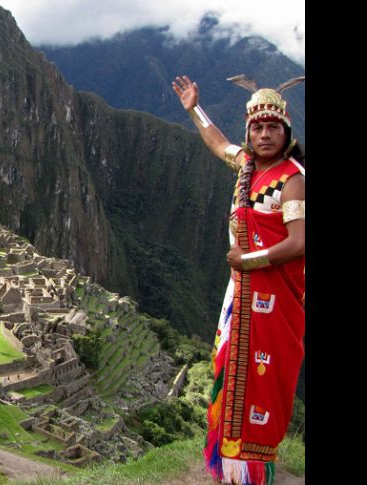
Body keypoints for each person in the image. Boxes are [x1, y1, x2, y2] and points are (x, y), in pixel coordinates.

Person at [172, 75, 305, 485]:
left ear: (287, 132)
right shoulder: (247, 166)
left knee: (264, 375)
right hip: (241, 290)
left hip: (271, 295)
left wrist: (248, 260)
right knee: (230, 365)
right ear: (250, 132)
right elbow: (215, 142)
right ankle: (228, 458)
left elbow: (300, 241)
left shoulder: (292, 178)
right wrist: (193, 107)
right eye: (258, 128)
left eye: (273, 128)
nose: (265, 135)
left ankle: (252, 463)